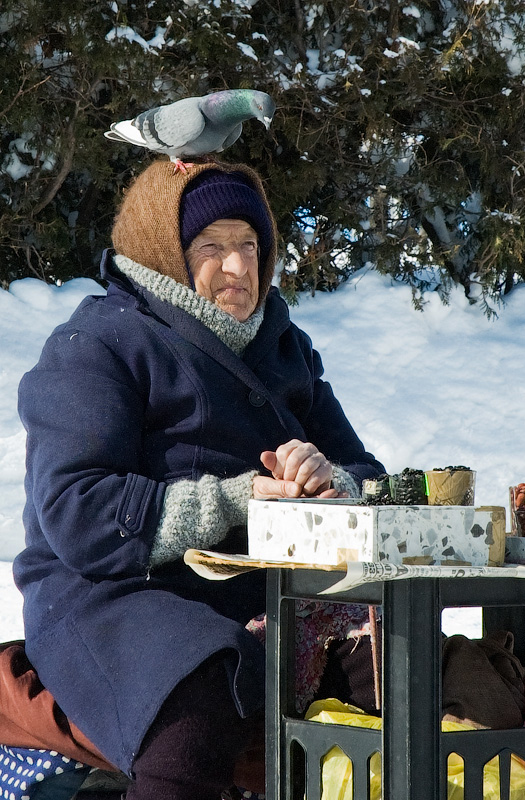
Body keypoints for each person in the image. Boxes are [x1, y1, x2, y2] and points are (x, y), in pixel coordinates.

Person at [14, 159, 385, 800]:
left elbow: (368, 476)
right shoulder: (99, 343)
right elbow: (78, 511)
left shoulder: (283, 345)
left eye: (250, 245)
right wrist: (236, 501)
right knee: (198, 688)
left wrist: (331, 483)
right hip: (113, 594)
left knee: (395, 668)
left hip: (265, 593)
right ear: (166, 254)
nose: (238, 267)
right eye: (211, 247)